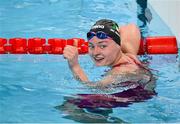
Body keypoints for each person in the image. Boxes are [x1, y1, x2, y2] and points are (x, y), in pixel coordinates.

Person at [63, 19, 152, 89]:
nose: (95, 53)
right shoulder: (129, 52)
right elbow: (131, 27)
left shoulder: (118, 73)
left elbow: (91, 88)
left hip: (134, 97)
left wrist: (74, 65)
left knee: (71, 105)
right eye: (91, 46)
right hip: (145, 81)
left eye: (103, 46)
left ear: (118, 45)